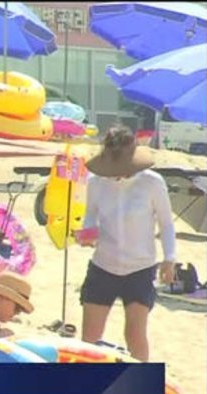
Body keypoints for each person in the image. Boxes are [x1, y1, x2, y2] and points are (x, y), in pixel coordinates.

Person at [74, 124, 176, 362]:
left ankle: (141, 382)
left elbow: (166, 223)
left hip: (140, 268)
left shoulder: (152, 182)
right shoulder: (96, 182)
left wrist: (169, 259)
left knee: (134, 334)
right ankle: (85, 383)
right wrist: (88, 233)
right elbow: (90, 215)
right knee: (90, 337)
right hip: (103, 265)